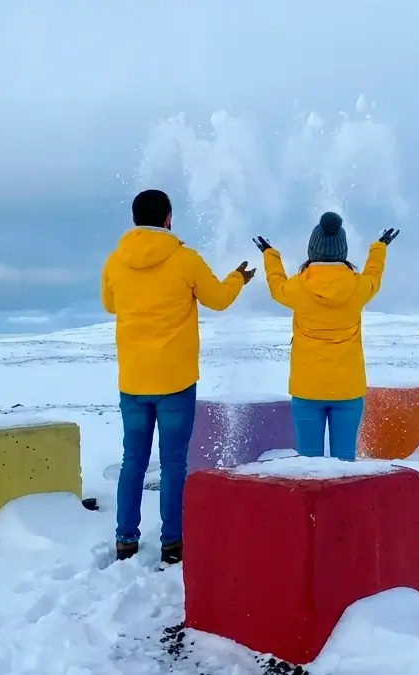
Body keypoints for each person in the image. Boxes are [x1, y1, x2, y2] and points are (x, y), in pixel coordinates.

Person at [102, 189, 256, 565]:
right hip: (175, 381)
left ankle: (125, 539)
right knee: (173, 463)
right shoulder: (184, 258)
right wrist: (237, 277)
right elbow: (218, 298)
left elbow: (110, 303)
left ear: (135, 219)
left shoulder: (115, 261)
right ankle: (173, 542)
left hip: (134, 381)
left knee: (132, 461)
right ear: (169, 218)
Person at [253, 212, 399, 461]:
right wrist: (379, 246)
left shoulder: (297, 288)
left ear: (312, 249)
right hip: (348, 388)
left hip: (307, 388)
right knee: (345, 462)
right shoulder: (359, 287)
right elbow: (374, 274)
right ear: (343, 250)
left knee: (309, 465)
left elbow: (276, 285)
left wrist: (270, 254)